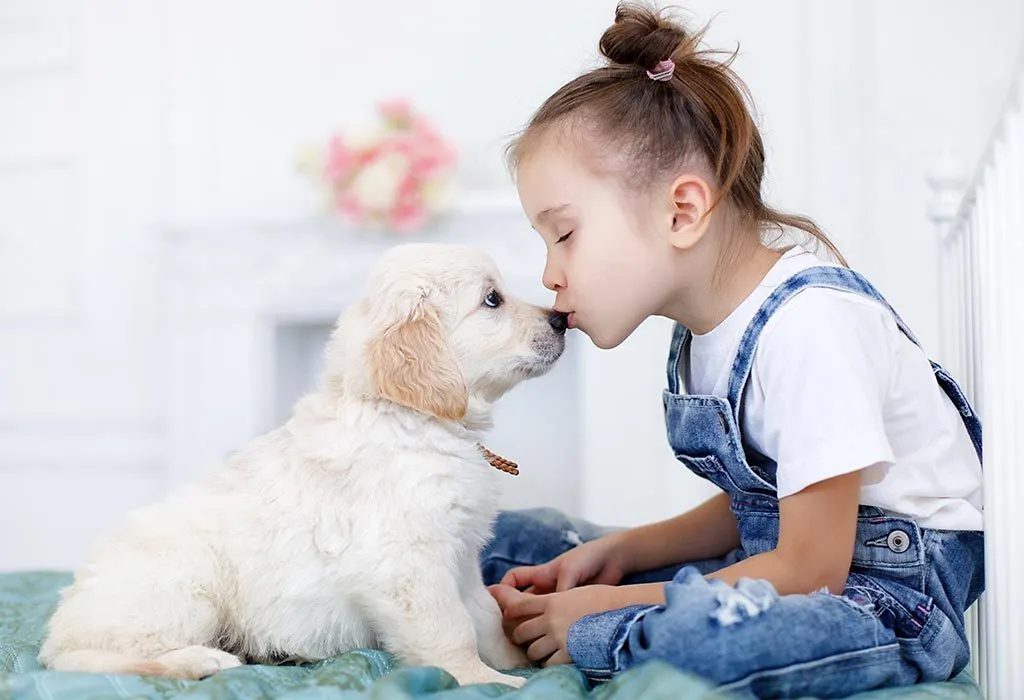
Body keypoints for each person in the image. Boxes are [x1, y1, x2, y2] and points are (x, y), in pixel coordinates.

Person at [482, 3, 985, 698]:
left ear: (682, 211)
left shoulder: (812, 326)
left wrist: (607, 607)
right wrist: (617, 554)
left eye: (564, 235)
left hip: (883, 599)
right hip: (780, 562)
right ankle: (583, 616)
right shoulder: (704, 332)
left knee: (699, 638)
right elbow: (772, 501)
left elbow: (813, 568)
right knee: (510, 541)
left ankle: (601, 643)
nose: (549, 276)